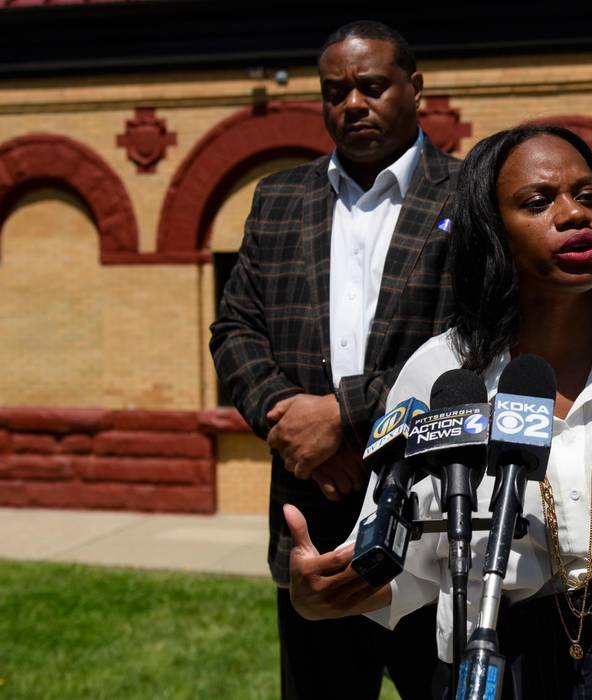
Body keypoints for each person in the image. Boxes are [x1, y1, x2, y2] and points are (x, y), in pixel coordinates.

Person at [282, 124, 592, 698]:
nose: (574, 214)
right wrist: (322, 594)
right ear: (490, 232)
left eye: (587, 196)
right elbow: (403, 566)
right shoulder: (438, 374)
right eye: (538, 201)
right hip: (503, 662)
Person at [209, 20, 456, 699]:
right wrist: (296, 430)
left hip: (435, 518)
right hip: (311, 521)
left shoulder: (470, 200)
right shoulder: (278, 199)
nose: (352, 104)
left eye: (371, 86)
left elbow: (474, 344)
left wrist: (340, 416)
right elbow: (234, 328)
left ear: (415, 88)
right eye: (334, 91)